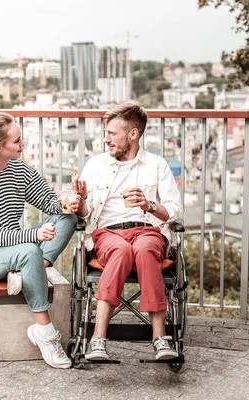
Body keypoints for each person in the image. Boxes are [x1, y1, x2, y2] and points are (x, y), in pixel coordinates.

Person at [0, 112, 78, 369]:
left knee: (68, 218)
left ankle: (32, 267)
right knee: (27, 251)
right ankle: (44, 331)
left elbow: (48, 203)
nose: (22, 144)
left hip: (14, 248)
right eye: (17, 141)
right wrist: (35, 235)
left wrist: (69, 203)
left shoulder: (19, 169)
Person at [72, 101, 183, 361]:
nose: (106, 139)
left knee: (144, 250)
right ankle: (98, 340)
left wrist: (149, 204)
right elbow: (86, 215)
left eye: (112, 133)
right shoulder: (96, 165)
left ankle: (160, 339)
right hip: (109, 234)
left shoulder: (156, 165)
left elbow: (174, 210)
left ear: (133, 134)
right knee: (122, 251)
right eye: (106, 133)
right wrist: (81, 201)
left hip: (147, 231)